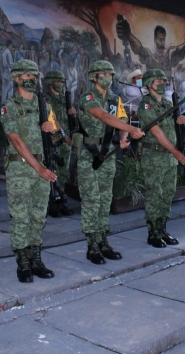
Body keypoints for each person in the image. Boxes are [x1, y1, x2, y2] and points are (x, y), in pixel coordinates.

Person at [77, 60, 144, 264]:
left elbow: (121, 120)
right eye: (104, 74)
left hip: (109, 154)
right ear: (94, 77)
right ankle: (92, 246)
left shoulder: (115, 99)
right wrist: (132, 130)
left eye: (110, 73)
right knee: (91, 199)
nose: (108, 77)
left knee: (105, 199)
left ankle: (103, 241)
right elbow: (104, 117)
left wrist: (124, 136)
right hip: (90, 154)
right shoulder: (88, 97)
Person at [0, 59, 58, 283]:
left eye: (34, 76)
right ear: (16, 79)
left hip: (42, 167)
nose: (31, 79)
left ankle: (36, 259)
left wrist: (52, 131)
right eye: (27, 76)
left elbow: (56, 138)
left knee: (38, 216)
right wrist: (39, 168)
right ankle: (22, 263)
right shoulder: (9, 106)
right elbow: (15, 140)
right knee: (21, 217)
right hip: (20, 168)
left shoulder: (46, 105)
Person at [138, 68, 185, 248]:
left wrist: (181, 120)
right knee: (154, 194)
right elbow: (156, 132)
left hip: (169, 158)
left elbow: (173, 126)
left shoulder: (168, 104)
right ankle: (153, 233)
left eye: (164, 81)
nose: (162, 84)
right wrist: (175, 151)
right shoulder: (146, 104)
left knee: (167, 193)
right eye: (158, 81)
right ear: (149, 84)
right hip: (154, 156)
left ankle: (162, 229)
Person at [115, 18, 185, 78]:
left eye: (163, 39)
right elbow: (139, 49)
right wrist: (129, 35)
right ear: (154, 39)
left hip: (166, 92)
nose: (162, 42)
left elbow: (179, 54)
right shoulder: (149, 55)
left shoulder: (170, 57)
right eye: (159, 39)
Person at [44, 70, 76, 216]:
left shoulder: (64, 99)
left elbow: (70, 120)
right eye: (57, 82)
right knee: (53, 169)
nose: (60, 85)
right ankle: (52, 201)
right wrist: (65, 137)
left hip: (66, 140)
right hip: (53, 140)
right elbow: (54, 120)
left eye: (61, 82)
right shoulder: (46, 99)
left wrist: (73, 114)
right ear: (50, 82)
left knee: (63, 172)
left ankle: (61, 200)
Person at [0, 40, 14, 105]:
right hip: (8, 72)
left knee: (4, 90)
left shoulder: (3, 52)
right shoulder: (8, 53)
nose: (12, 47)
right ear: (9, 45)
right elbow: (10, 64)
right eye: (11, 45)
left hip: (4, 73)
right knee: (10, 89)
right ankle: (9, 105)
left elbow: (1, 64)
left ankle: (3, 104)